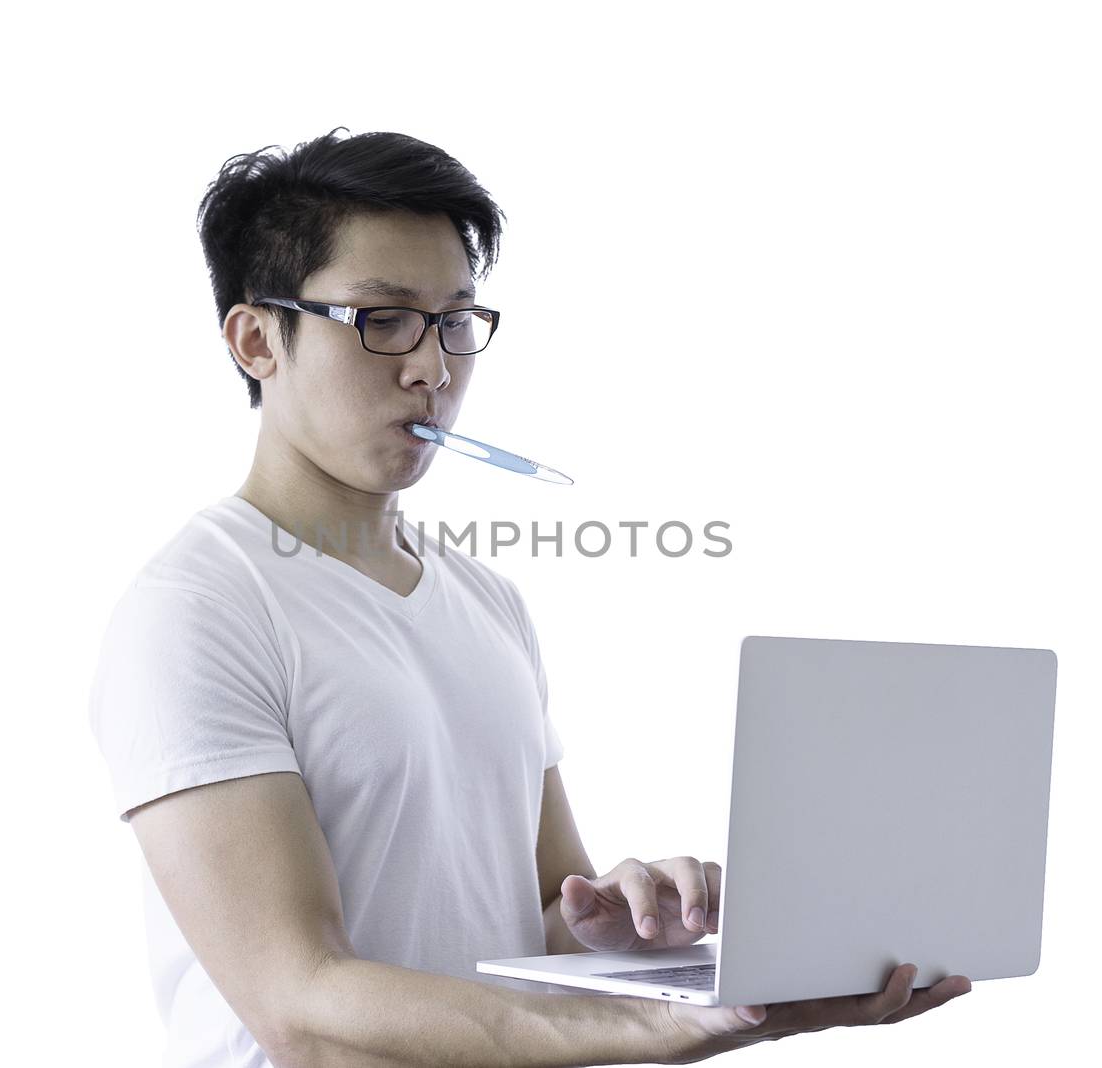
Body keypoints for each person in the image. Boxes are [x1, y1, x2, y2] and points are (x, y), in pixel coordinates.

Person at [87, 127, 972, 1068]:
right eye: (382, 319)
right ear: (257, 338)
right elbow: (299, 1002)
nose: (432, 367)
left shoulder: (487, 600)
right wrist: (655, 1030)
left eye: (455, 320)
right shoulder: (197, 610)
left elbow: (542, 915)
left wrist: (625, 931)